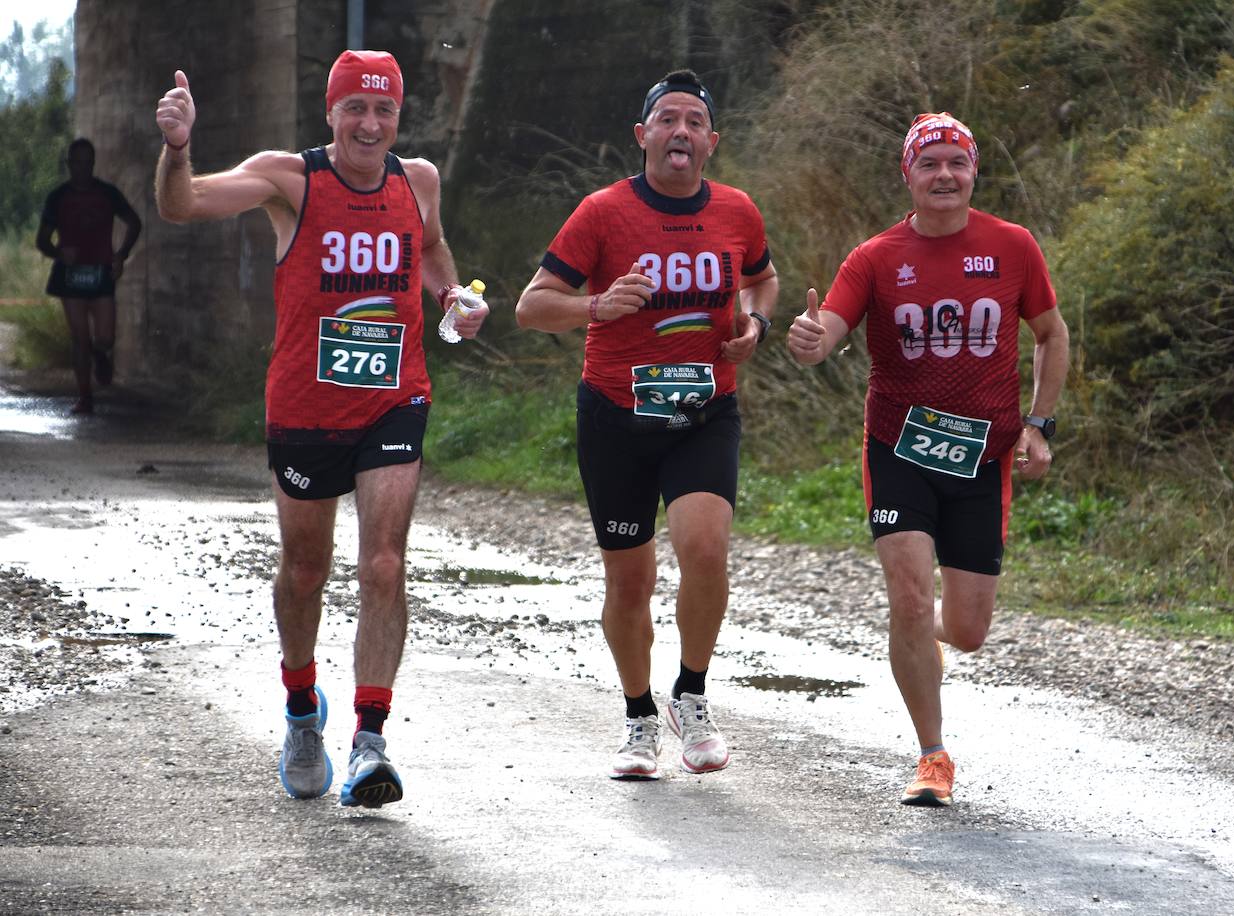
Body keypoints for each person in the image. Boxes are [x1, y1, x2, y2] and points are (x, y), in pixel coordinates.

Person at [154, 51, 488, 808]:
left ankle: (370, 741)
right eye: (355, 110)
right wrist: (177, 150)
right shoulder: (289, 179)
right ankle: (303, 709)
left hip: (393, 400)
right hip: (304, 407)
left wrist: (450, 299)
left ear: (398, 118)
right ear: (330, 114)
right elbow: (183, 205)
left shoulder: (418, 181)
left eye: (384, 112)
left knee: (384, 566)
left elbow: (431, 249)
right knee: (305, 573)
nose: (370, 126)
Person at [787, 112, 1069, 807]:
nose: (944, 175)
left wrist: (1038, 423)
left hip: (982, 456)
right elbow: (831, 331)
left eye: (957, 163)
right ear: (906, 175)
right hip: (899, 449)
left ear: (973, 172)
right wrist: (809, 338)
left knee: (967, 631)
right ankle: (932, 757)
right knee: (909, 598)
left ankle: (929, 631)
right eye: (929, 163)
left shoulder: (1012, 246)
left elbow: (1050, 333)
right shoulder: (876, 257)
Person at [515, 70, 778, 780]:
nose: (681, 132)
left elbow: (762, 277)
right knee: (629, 583)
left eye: (695, 121)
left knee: (705, 549)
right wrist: (596, 305)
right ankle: (637, 714)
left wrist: (755, 321)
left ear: (712, 142)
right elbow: (532, 307)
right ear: (643, 136)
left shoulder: (736, 210)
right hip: (616, 417)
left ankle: (689, 696)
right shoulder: (601, 212)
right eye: (667, 119)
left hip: (703, 412)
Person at [36, 138, 143, 415]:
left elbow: (134, 222)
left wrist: (121, 255)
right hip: (70, 277)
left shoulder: (107, 194)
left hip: (100, 273)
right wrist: (59, 253)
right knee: (80, 338)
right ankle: (85, 397)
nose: (82, 168)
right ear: (69, 164)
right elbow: (42, 240)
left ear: (93, 164)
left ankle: (100, 355)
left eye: (88, 163)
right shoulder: (58, 197)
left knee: (105, 337)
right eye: (77, 163)